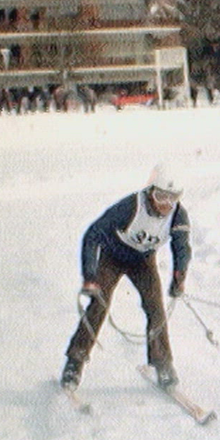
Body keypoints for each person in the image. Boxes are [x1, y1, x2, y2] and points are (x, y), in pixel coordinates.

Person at [61, 164, 191, 390]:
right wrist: (90, 275)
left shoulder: (178, 215)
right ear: (151, 191)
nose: (165, 205)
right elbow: (93, 235)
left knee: (156, 308)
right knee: (99, 305)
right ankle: (75, 362)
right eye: (161, 196)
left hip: (143, 261)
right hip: (113, 257)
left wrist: (180, 277)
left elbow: (182, 248)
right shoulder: (130, 206)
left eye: (173, 198)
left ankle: (163, 365)